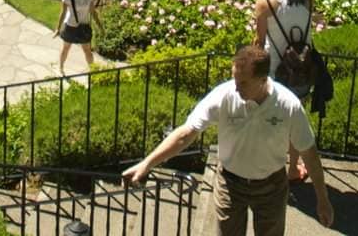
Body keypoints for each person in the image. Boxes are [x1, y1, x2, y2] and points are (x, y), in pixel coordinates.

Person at [123, 46, 332, 235]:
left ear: (262, 80)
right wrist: (146, 164)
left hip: (271, 188)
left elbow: (309, 154)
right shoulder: (224, 95)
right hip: (230, 185)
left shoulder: (288, 106)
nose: (236, 87)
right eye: (234, 79)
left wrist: (323, 200)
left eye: (243, 82)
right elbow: (186, 134)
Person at [253, 0, 316, 181]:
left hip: (274, 71)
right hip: (300, 69)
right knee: (294, 120)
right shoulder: (308, 0)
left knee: (269, 118)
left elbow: (258, 41)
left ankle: (267, 166)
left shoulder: (267, 2)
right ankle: (292, 169)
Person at [55, 0, 105, 73]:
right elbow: (63, 13)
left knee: (87, 50)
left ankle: (92, 71)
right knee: (66, 48)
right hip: (71, 26)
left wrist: (100, 27)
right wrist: (58, 28)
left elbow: (93, 12)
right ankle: (61, 68)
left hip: (84, 27)